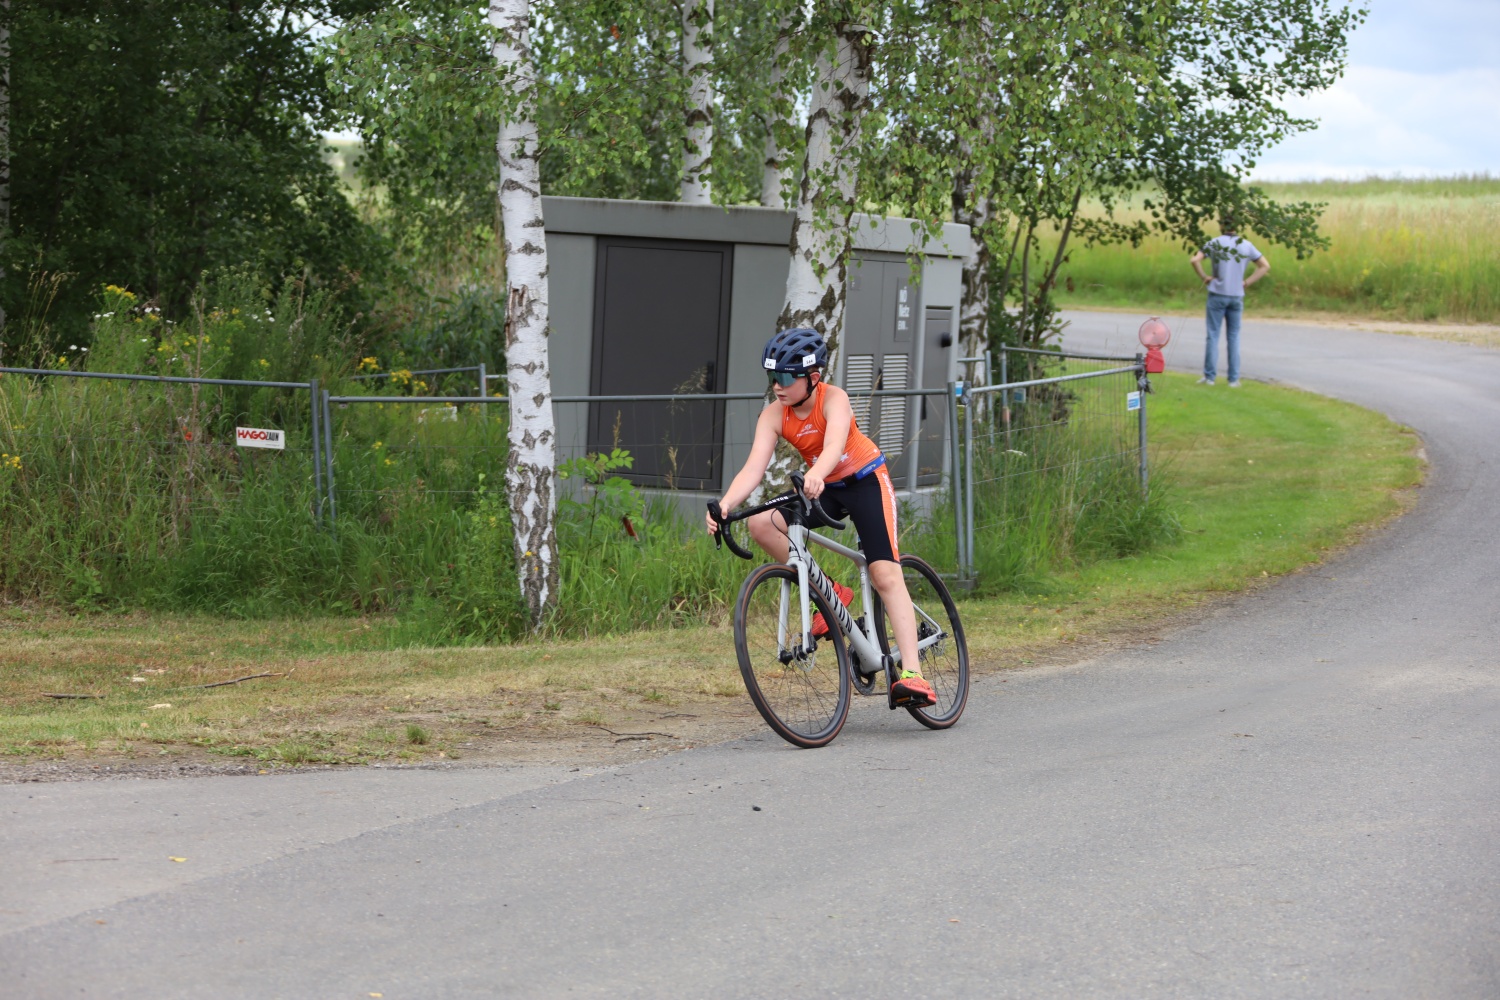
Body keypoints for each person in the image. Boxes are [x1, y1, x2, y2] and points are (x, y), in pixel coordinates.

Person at [705, 327, 936, 708]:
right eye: (772, 377)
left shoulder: (834, 399)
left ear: (813, 377)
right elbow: (753, 468)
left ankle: (913, 673)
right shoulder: (773, 415)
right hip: (823, 486)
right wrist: (726, 504)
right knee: (761, 523)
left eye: (785, 377)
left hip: (865, 482)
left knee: (883, 573)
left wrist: (816, 473)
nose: (777, 386)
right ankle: (829, 591)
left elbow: (833, 445)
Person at [1190, 216, 1270, 387]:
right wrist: (1246, 282)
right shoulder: (1246, 244)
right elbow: (1264, 266)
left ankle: (1210, 377)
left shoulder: (1214, 243)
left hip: (1217, 293)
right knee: (1233, 337)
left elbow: (1195, 260)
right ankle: (1233, 379)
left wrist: (1204, 277)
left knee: (1213, 335)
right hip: (1236, 295)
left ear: (1221, 225)